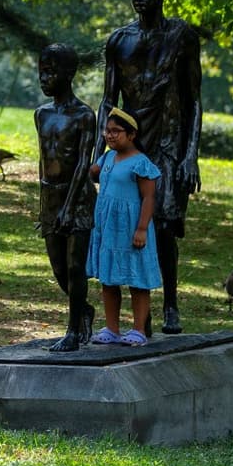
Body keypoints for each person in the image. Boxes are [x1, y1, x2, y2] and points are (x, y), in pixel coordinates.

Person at [102, 0, 202, 333]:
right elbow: (107, 101)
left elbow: (194, 99)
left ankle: (171, 305)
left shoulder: (182, 36)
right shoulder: (119, 41)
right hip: (132, 145)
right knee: (130, 226)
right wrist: (106, 150)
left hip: (171, 144)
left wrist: (191, 155)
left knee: (162, 225)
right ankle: (140, 322)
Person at [33, 43, 96, 351]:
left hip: (79, 198)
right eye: (41, 72)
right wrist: (43, 206)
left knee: (74, 266)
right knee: (58, 269)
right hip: (51, 197)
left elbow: (84, 163)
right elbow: (42, 159)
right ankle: (83, 311)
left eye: (50, 72)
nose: (44, 79)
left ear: (69, 74)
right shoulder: (41, 114)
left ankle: (72, 331)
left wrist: (70, 208)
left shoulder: (85, 115)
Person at [85, 109, 161, 346]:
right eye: (107, 131)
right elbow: (93, 173)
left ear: (131, 135)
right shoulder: (107, 158)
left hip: (131, 228)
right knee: (109, 279)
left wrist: (141, 228)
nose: (110, 135)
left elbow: (148, 198)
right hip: (108, 228)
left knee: (137, 280)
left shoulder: (141, 163)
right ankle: (112, 328)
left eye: (116, 131)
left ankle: (138, 329)